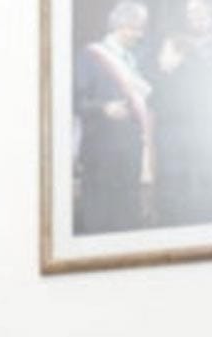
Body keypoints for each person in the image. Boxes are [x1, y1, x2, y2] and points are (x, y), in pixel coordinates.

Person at [151, 0, 212, 226]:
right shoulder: (173, 42)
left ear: (211, 15)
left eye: (202, 12)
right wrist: (169, 64)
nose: (197, 16)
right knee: (181, 175)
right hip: (181, 123)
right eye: (192, 12)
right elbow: (161, 79)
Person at [73, 1, 154, 234]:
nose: (140, 35)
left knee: (126, 219)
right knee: (101, 219)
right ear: (121, 26)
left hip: (129, 152)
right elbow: (75, 102)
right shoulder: (90, 56)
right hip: (101, 152)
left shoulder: (133, 61)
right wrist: (104, 108)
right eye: (137, 28)